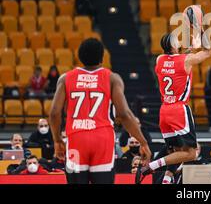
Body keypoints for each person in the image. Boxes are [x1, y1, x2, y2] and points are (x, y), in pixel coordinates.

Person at [49, 38, 151, 184]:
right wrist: (143, 142)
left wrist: (57, 140)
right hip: (102, 139)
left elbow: (54, 113)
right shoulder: (112, 78)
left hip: (76, 139)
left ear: (80, 57)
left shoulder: (65, 78)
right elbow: (124, 114)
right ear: (102, 57)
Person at [138, 32, 211, 184]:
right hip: (179, 109)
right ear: (172, 46)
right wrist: (201, 32)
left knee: (176, 151)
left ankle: (166, 179)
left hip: (164, 110)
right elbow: (207, 52)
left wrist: (187, 52)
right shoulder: (186, 60)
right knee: (191, 153)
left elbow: (175, 60)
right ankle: (152, 165)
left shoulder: (159, 60)